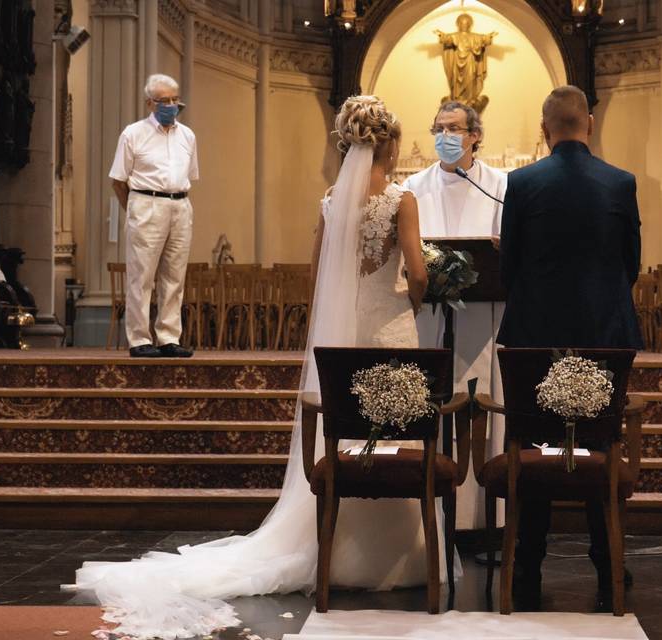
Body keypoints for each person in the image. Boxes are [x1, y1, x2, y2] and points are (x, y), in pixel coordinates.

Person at [70, 96, 435, 640]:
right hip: (390, 333)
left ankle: (332, 547)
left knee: (341, 434)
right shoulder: (403, 199)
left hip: (340, 340)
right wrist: (418, 295)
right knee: (393, 435)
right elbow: (418, 270)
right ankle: (394, 556)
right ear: (392, 144)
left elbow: (316, 276)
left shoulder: (332, 201)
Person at [496, 85, 643, 610]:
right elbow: (632, 263)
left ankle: (528, 567)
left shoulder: (522, 182)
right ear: (590, 123)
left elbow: (507, 265)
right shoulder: (621, 183)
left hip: (535, 336)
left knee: (535, 441)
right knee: (601, 444)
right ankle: (609, 564)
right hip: (605, 335)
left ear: (544, 128)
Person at [403, 101, 506, 531]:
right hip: (432, 315)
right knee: (436, 403)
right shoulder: (413, 186)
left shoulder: (501, 186)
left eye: (455, 129)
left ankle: (482, 516)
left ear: (475, 136)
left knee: (481, 405)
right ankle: (434, 510)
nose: (445, 137)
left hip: (486, 316)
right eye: (439, 128)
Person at [110, 73, 198, 358]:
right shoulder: (133, 133)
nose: (171, 105)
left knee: (175, 276)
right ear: (150, 103)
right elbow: (118, 181)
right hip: (146, 203)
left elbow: (189, 176)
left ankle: (168, 337)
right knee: (142, 276)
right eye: (164, 101)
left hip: (180, 205)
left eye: (175, 100)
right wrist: (135, 211)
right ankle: (139, 339)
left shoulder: (188, 136)